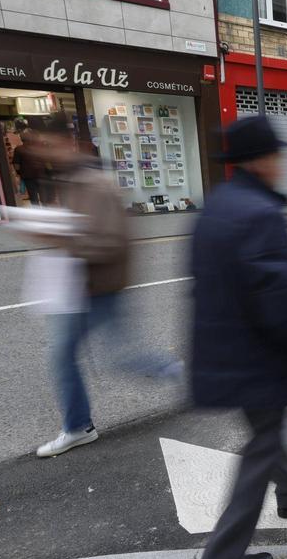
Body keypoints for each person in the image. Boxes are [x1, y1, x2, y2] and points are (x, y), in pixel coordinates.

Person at [190, 115, 287, 559]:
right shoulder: (260, 213)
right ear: (262, 160)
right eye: (278, 155)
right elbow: (280, 297)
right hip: (257, 358)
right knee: (260, 450)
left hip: (224, 351)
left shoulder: (217, 205)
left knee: (264, 435)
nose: (283, 163)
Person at [17, 115, 180, 459]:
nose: (36, 150)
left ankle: (188, 375)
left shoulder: (93, 183)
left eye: (43, 143)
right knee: (63, 355)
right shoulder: (69, 179)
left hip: (100, 288)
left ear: (64, 142)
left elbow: (112, 243)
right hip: (75, 286)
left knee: (123, 357)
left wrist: (57, 239)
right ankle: (78, 427)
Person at [12, 123, 47, 206]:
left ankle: (37, 213)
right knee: (44, 195)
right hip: (41, 174)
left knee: (33, 196)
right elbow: (46, 161)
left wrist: (19, 173)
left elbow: (16, 164)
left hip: (28, 176)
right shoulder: (39, 148)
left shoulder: (19, 149)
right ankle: (46, 209)